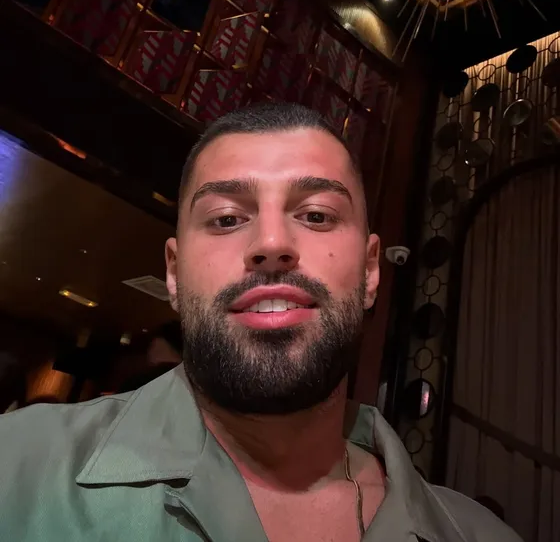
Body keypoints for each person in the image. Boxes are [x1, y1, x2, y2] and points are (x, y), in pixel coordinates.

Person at [0, 103, 521, 541]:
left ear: (369, 271)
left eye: (316, 215)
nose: (271, 244)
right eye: (227, 218)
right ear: (174, 273)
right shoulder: (15, 466)